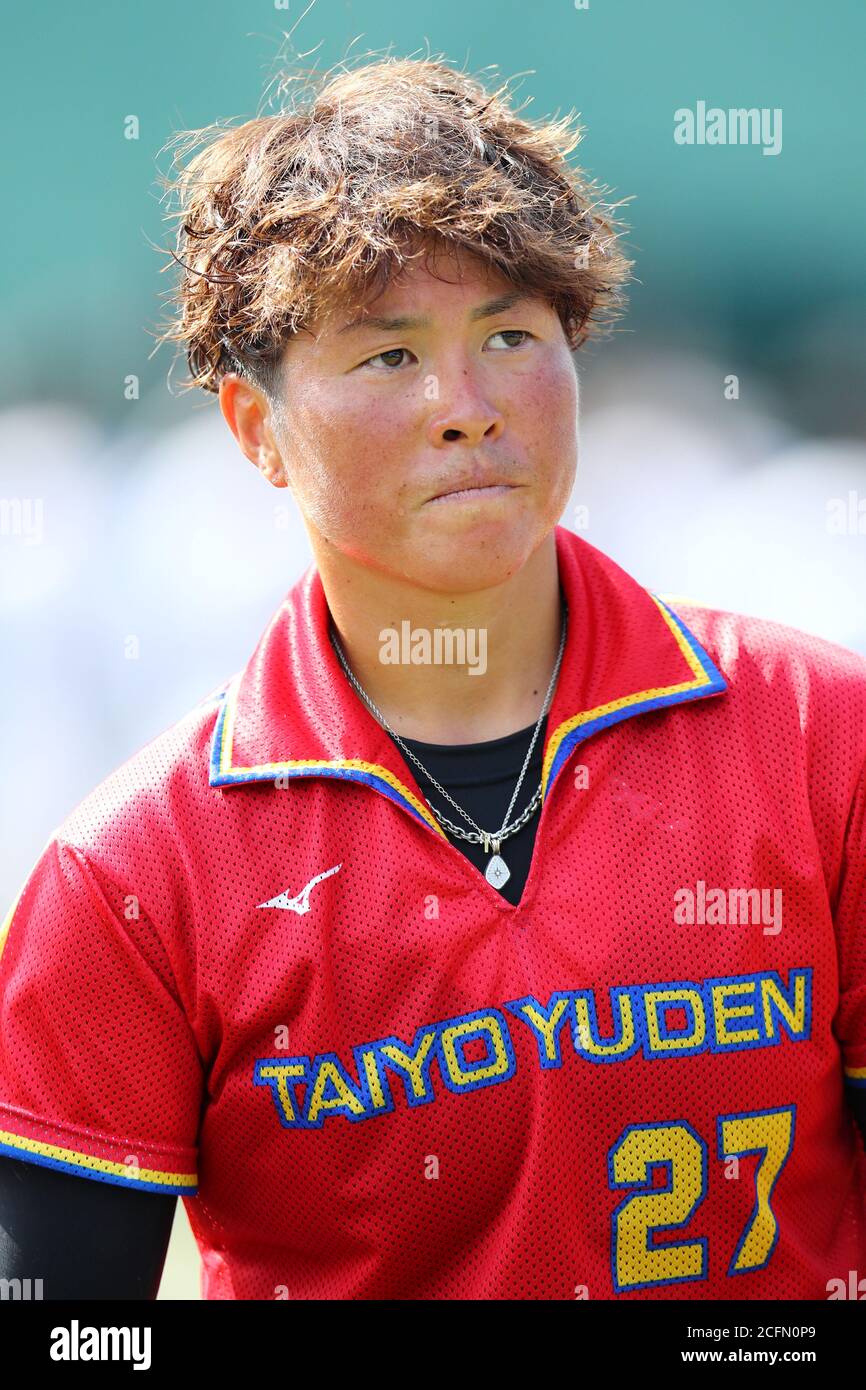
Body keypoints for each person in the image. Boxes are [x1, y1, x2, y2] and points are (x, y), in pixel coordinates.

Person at [1, 56, 864, 1302]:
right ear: (255, 431)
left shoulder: (819, 738)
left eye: (510, 335)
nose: (465, 405)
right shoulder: (135, 875)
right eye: (386, 356)